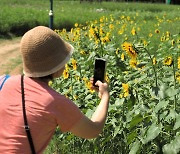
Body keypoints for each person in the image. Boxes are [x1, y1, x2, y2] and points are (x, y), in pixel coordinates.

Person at [0, 26, 110, 154]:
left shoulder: (3, 81)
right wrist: (105, 96)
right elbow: (93, 130)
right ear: (56, 66)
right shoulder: (55, 102)